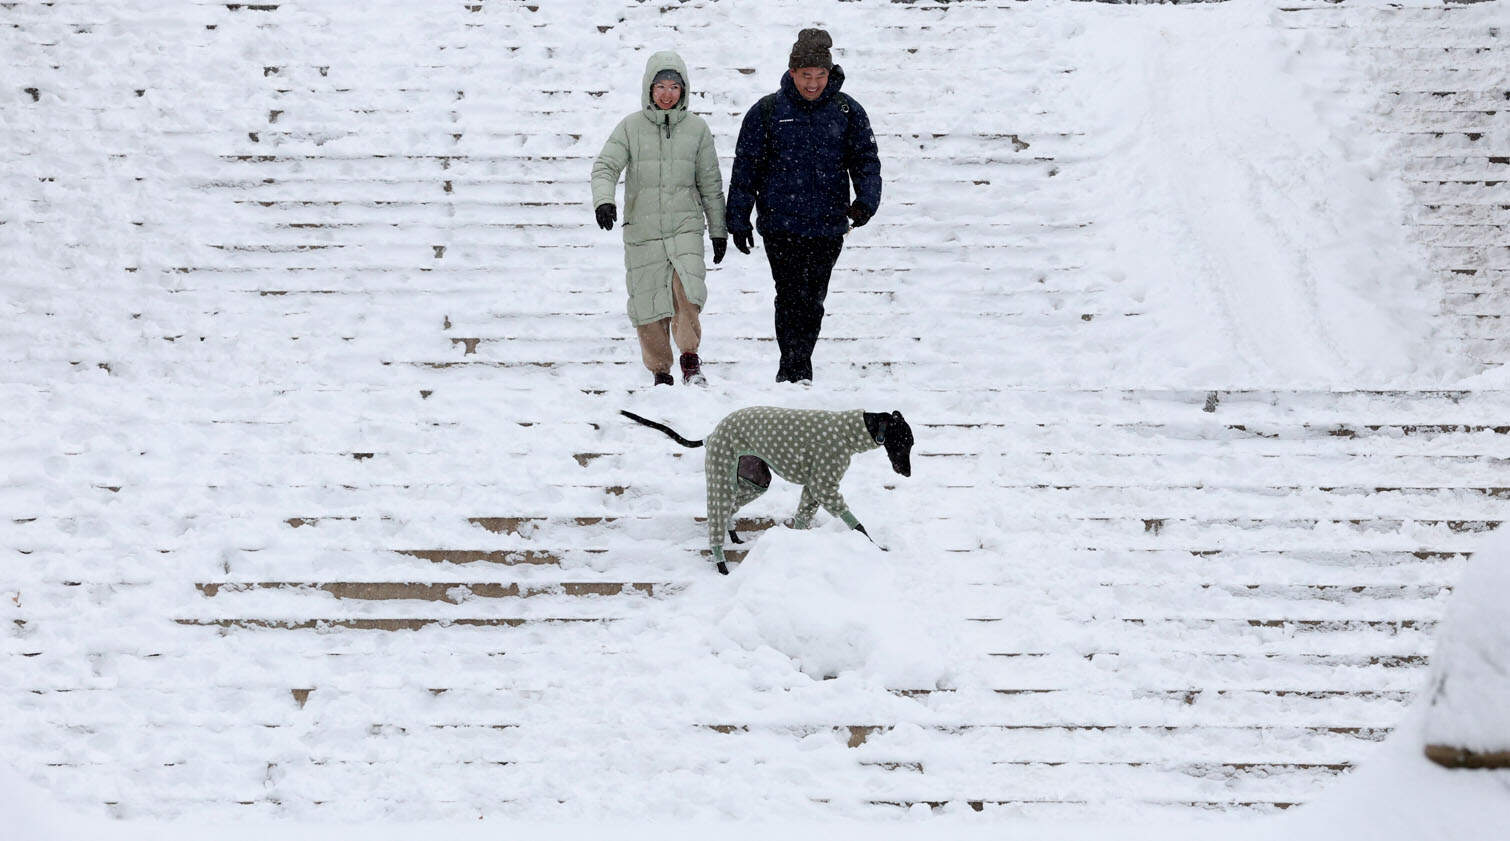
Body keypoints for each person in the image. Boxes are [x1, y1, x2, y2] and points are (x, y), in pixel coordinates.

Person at [726, 28, 882, 384]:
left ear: (830, 74)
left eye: (820, 76)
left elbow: (865, 160)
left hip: (828, 225)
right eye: (806, 76)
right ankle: (794, 367)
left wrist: (866, 202)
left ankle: (799, 361)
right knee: (790, 294)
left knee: (813, 299)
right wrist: (738, 218)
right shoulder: (767, 111)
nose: (813, 84)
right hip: (781, 225)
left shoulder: (846, 110)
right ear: (792, 73)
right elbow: (746, 167)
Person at [592, 51, 727, 387]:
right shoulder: (630, 128)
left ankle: (690, 359)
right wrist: (604, 201)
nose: (667, 94)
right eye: (660, 86)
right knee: (648, 303)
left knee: (687, 295)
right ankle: (660, 371)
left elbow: (710, 184)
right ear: (649, 88)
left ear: (684, 90)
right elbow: (605, 166)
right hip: (644, 230)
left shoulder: (697, 129)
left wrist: (718, 230)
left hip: (685, 228)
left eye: (674, 87)